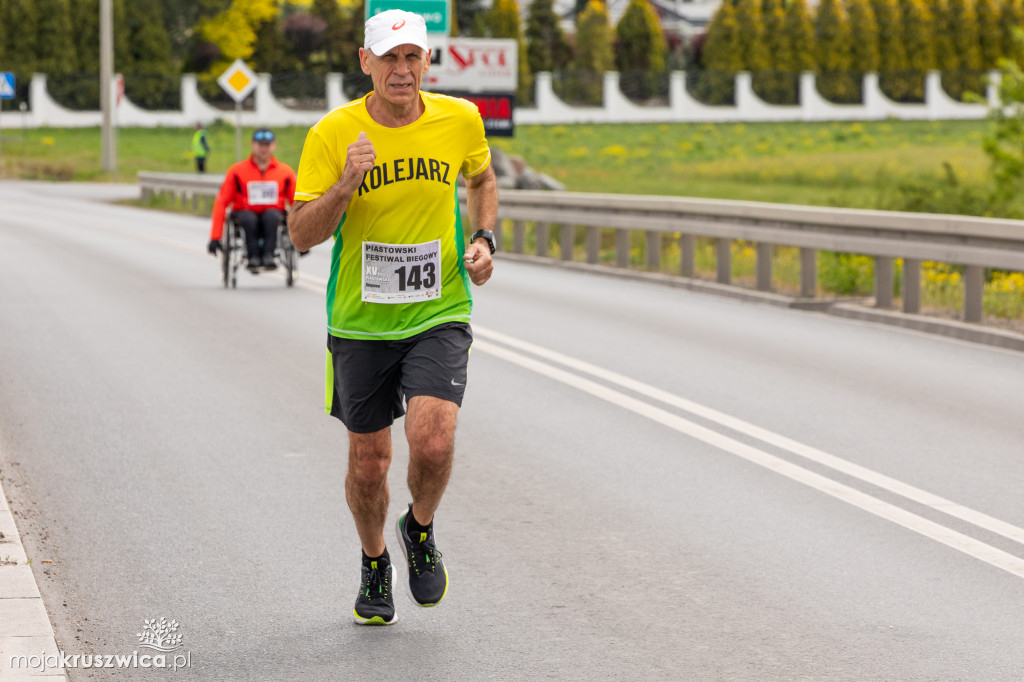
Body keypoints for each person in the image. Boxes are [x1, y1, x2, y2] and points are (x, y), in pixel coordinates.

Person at [288, 9, 498, 626]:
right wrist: (347, 183)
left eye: (411, 58)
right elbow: (301, 235)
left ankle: (420, 527)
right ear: (365, 62)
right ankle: (375, 561)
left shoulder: (459, 119)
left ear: (427, 62)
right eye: (388, 58)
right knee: (369, 463)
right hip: (361, 322)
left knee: (432, 441)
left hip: (439, 310)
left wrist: (484, 238)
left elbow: (482, 177)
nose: (400, 70)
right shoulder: (334, 133)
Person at [208, 128, 297, 273]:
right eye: (260, 144)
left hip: (273, 213)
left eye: (267, 145)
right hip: (244, 212)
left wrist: (302, 238)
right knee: (249, 219)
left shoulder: (285, 172)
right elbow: (222, 202)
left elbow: (296, 203)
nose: (263, 148)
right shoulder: (237, 171)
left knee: (272, 216)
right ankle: (253, 257)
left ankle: (269, 256)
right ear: (252, 145)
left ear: (273, 146)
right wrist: (215, 237)